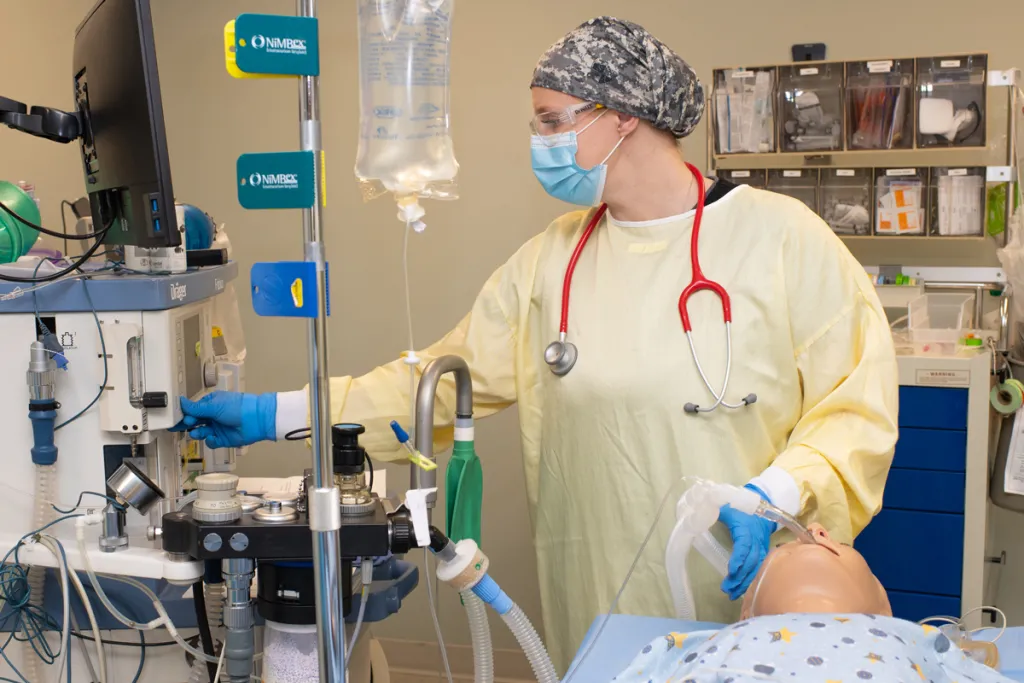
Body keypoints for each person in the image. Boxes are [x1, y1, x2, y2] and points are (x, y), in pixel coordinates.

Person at [174, 16, 898, 669]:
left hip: (750, 601)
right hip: (597, 601)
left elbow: (857, 409)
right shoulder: (554, 261)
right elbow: (435, 382)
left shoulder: (784, 240)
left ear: (621, 118)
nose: (540, 143)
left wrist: (773, 490)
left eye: (553, 122)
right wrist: (278, 411)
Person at [611, 524, 1008, 683]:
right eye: (782, 549)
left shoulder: (910, 638)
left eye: (838, 545)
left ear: (883, 608)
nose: (812, 537)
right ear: (746, 610)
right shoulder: (708, 644)